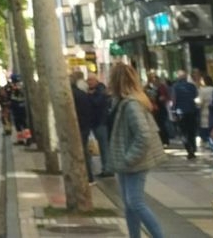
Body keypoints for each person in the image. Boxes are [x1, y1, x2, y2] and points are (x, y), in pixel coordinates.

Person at [107, 63, 166, 238]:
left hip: (134, 161)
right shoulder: (124, 102)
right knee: (129, 204)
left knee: (135, 202)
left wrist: (129, 158)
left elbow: (144, 135)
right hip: (126, 159)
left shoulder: (131, 104)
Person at [71, 71, 95, 183]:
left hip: (80, 127)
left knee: (83, 153)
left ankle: (88, 177)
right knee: (84, 152)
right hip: (85, 126)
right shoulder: (83, 93)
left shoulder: (74, 94)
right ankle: (89, 176)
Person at [170, 70, 199, 160]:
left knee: (183, 132)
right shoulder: (192, 86)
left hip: (180, 112)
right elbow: (195, 96)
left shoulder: (175, 87)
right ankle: (193, 148)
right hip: (191, 110)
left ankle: (188, 149)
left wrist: (173, 111)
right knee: (191, 131)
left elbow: (174, 100)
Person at [144, 74, 171, 147]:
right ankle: (162, 141)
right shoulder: (149, 88)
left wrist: (162, 98)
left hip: (160, 108)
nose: (154, 81)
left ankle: (165, 140)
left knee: (161, 125)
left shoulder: (160, 87)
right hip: (155, 109)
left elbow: (166, 96)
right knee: (159, 125)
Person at [195, 72, 213, 155]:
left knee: (205, 128)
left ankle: (208, 143)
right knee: (212, 127)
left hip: (204, 111)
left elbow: (200, 101)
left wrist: (195, 101)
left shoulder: (202, 90)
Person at [8, 74, 30, 145]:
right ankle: (24, 139)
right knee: (23, 124)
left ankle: (25, 139)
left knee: (20, 124)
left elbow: (12, 96)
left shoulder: (14, 87)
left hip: (17, 107)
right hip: (22, 107)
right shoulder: (21, 85)